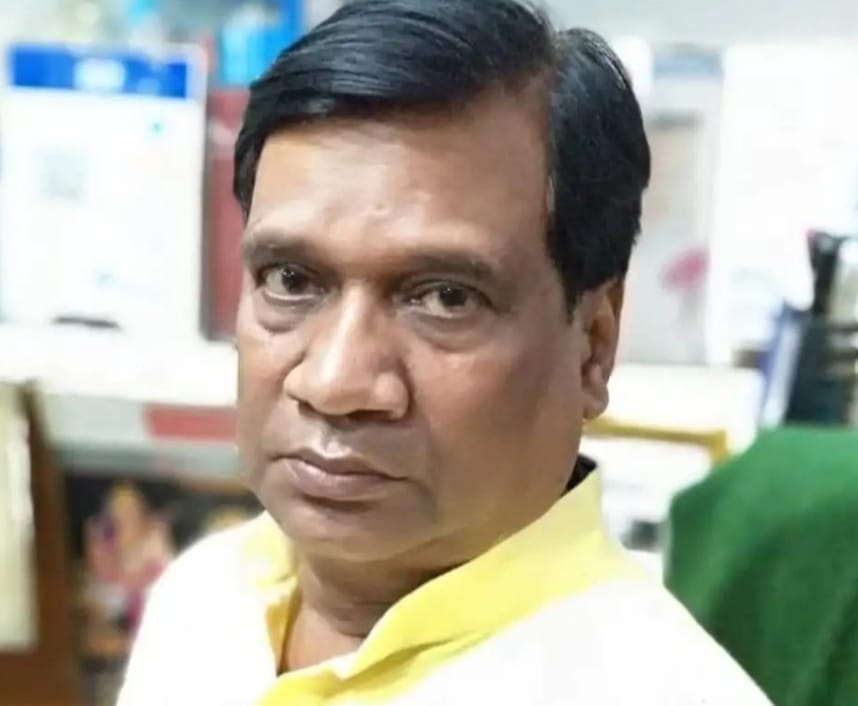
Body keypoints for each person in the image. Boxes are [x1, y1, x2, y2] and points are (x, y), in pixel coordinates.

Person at [118, 1, 771, 704]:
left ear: (594, 345)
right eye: (291, 281)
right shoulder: (205, 599)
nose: (335, 381)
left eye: (446, 298)